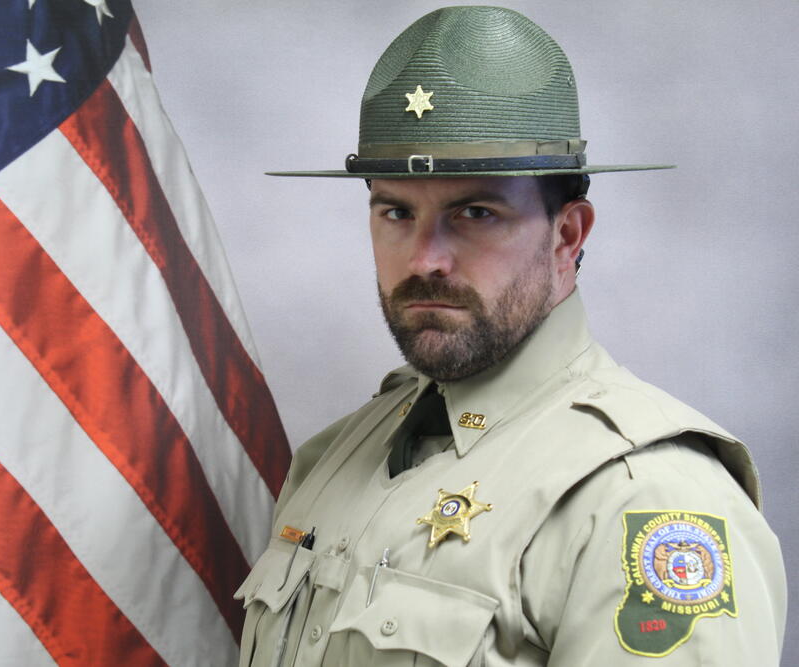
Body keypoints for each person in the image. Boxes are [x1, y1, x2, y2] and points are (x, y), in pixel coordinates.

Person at [234, 6, 786, 666]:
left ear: (568, 234)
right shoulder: (333, 459)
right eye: (396, 211)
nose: (424, 259)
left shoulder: (647, 498)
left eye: (475, 212)